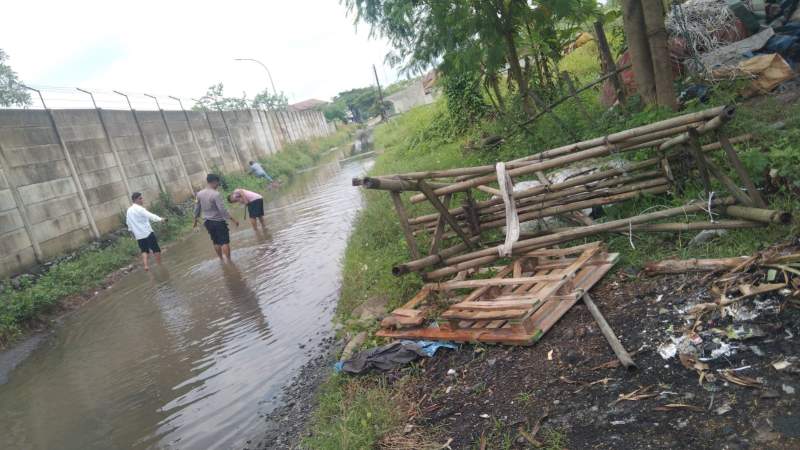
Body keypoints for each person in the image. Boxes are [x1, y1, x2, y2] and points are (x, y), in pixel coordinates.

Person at [194, 174, 239, 261]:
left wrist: (195, 220)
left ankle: (221, 260)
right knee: (224, 242)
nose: (218, 185)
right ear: (214, 181)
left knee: (215, 241)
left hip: (207, 222)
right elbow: (222, 210)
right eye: (218, 183)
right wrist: (233, 219)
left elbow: (196, 209)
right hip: (218, 221)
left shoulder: (199, 194)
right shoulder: (216, 194)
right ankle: (229, 261)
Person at [126, 192, 166, 271]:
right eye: (140, 198)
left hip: (139, 235)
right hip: (147, 232)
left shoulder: (129, 210)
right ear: (135, 200)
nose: (142, 200)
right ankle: (159, 265)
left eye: (142, 198)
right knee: (156, 249)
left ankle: (146, 266)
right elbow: (150, 215)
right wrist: (161, 219)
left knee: (144, 250)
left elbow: (128, 223)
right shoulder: (140, 209)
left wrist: (132, 232)